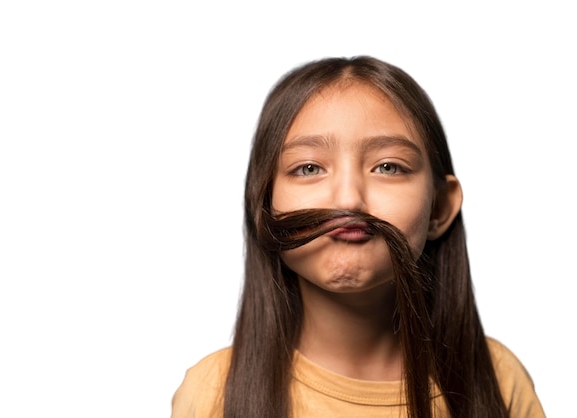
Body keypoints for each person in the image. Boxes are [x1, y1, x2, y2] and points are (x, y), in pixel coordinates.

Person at [171, 56, 546, 418]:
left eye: (387, 166)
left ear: (439, 209)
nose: (349, 199)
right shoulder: (211, 393)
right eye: (309, 168)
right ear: (264, 206)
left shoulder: (499, 379)